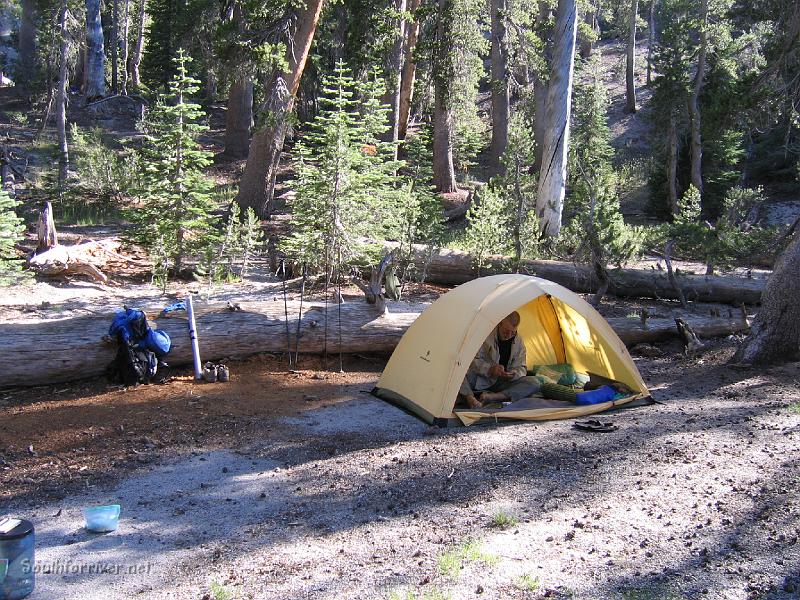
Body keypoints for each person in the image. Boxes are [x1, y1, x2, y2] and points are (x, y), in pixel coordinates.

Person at [458, 311, 541, 409]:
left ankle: (493, 397)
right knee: (457, 369)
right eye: (506, 331)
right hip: (480, 380)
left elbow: (521, 367)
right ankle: (470, 398)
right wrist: (490, 369)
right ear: (499, 323)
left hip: (501, 383)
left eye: (513, 332)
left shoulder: (518, 341)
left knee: (534, 383)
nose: (509, 335)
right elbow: (471, 360)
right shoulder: (484, 335)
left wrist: (514, 374)